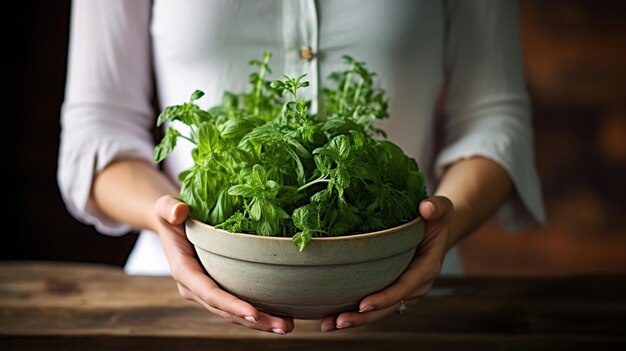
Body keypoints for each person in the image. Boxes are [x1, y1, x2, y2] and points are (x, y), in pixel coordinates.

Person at [58, 0, 545, 335]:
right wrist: (165, 215)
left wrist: (447, 217)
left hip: (410, 305)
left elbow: (494, 117)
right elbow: (97, 129)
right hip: (176, 307)